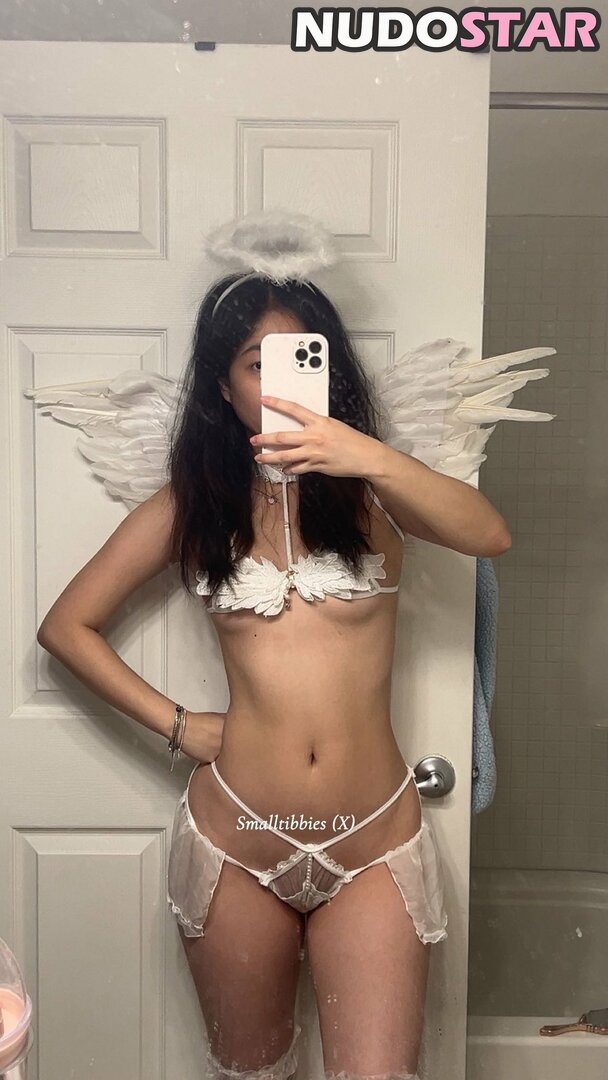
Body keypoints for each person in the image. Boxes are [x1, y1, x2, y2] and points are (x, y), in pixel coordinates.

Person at [37, 263, 511, 1080]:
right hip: (237, 840)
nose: (282, 381)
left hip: (373, 838)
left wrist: (363, 453)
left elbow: (487, 533)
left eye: (303, 358)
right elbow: (66, 628)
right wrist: (179, 725)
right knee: (251, 1073)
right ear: (224, 386)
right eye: (258, 363)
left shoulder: (374, 493)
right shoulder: (194, 503)